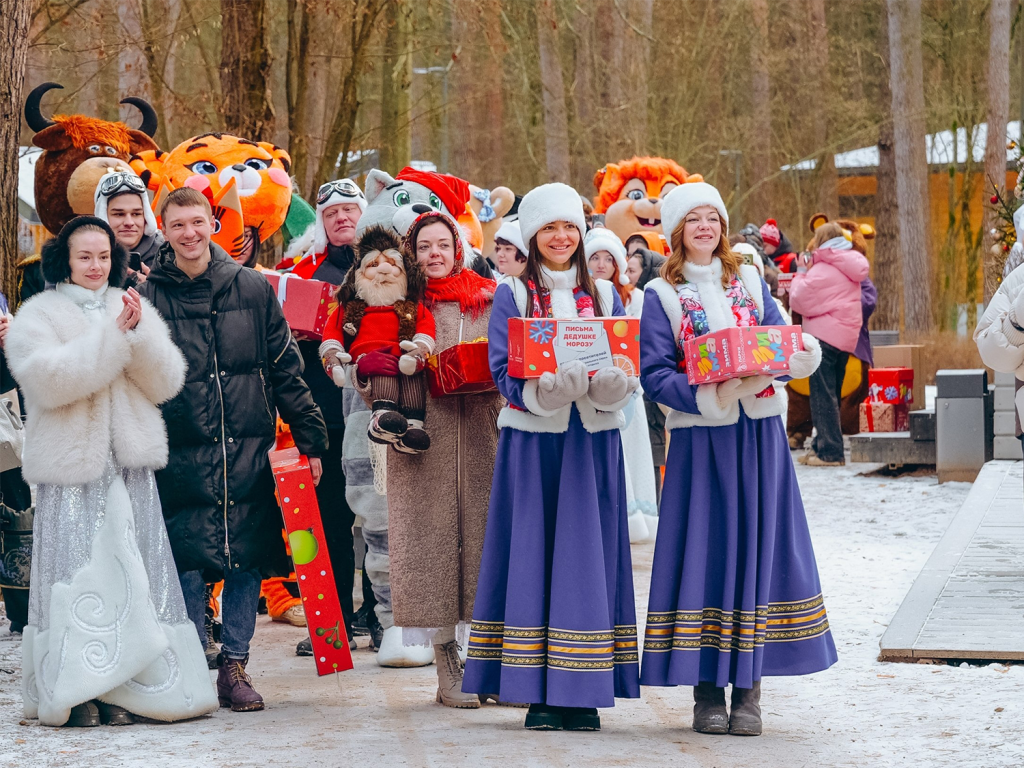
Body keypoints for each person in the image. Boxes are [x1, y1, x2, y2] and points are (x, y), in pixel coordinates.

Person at [638, 182, 836, 737]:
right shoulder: (661, 294)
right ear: (677, 231)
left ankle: (749, 690)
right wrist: (712, 394)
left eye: (713, 218)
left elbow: (778, 336)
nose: (705, 227)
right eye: (693, 219)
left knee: (757, 549)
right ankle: (707, 690)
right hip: (703, 438)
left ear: (723, 227)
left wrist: (798, 356)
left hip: (760, 433)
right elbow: (655, 373)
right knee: (708, 552)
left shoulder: (748, 277)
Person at [5, 216, 217, 727]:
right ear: (64, 260)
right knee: (77, 572)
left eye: (104, 256)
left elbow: (167, 381)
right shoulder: (39, 313)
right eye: (85, 256)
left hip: (127, 465)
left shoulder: (130, 304)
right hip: (72, 469)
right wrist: (111, 338)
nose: (96, 266)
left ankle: (133, 687)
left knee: (136, 572)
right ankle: (76, 690)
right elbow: (47, 382)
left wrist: (137, 335)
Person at [140, 188, 328, 713]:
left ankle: (235, 665)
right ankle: (189, 656)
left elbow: (285, 369)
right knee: (187, 555)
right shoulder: (148, 296)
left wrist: (310, 438)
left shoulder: (252, 287)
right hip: (179, 452)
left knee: (247, 554)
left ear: (213, 224)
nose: (189, 233)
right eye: (178, 225)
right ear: (165, 230)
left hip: (247, 446)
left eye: (197, 222)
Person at [463, 182, 641, 732]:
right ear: (533, 235)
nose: (560, 237)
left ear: (581, 234)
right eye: (549, 228)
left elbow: (626, 365)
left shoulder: (606, 295)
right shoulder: (512, 295)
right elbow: (501, 372)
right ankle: (537, 689)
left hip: (592, 442)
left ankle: (583, 689)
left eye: (569, 228)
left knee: (587, 560)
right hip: (535, 444)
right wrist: (545, 393)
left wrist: (613, 388)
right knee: (534, 556)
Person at [358, 210, 500, 708]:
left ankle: (487, 661)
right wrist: (374, 378)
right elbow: (369, 365)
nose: (434, 254)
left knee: (484, 548)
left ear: (458, 249)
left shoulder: (490, 298)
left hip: (483, 439)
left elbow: (510, 361)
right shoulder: (400, 303)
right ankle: (447, 664)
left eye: (443, 244)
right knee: (430, 551)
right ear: (411, 255)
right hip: (420, 443)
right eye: (423, 247)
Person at [288, 178, 368, 656]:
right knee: (328, 522)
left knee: (380, 519)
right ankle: (334, 621)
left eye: (349, 210)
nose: (341, 218)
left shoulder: (390, 266)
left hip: (378, 410)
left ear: (364, 213)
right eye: (331, 213)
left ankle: (381, 616)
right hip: (324, 416)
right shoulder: (304, 273)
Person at [584, 227, 658, 542]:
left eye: (608, 259)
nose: (601, 264)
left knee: (633, 453)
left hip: (627, 383)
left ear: (618, 264)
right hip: (590, 387)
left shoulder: (634, 297)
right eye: (594, 257)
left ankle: (638, 515)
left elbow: (635, 340)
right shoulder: (581, 295)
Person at [788, 223, 870, 467]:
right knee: (832, 394)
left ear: (820, 241)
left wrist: (801, 271)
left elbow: (798, 300)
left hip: (824, 338)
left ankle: (830, 452)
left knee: (822, 397)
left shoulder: (823, 269)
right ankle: (820, 445)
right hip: (845, 339)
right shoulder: (848, 263)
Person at [93, 170, 163, 281]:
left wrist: (155, 289)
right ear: (102, 217)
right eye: (119, 214)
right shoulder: (81, 256)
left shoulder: (171, 254)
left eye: (136, 214)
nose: (129, 223)